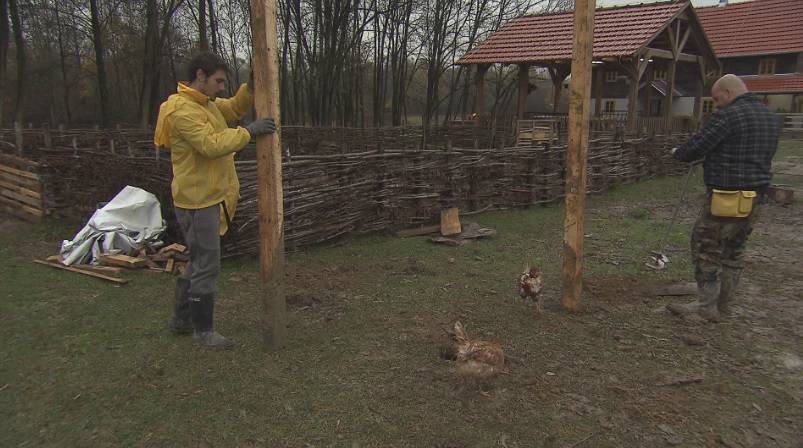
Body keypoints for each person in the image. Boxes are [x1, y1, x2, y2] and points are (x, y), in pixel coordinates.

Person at [154, 52, 276, 348]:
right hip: (198, 200)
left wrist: (249, 89)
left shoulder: (205, 104)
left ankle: (182, 319)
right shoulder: (182, 110)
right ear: (200, 75)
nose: (222, 87)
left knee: (198, 261)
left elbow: (232, 108)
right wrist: (248, 132)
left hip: (207, 196)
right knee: (206, 265)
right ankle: (203, 330)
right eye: (218, 81)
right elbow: (210, 145)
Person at [667, 74, 780, 322]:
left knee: (706, 246)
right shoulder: (770, 117)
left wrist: (679, 153)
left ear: (728, 93)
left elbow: (699, 145)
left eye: (718, 99)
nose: (716, 104)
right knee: (735, 249)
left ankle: (706, 306)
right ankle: (724, 303)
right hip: (756, 196)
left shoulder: (727, 116)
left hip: (726, 196)